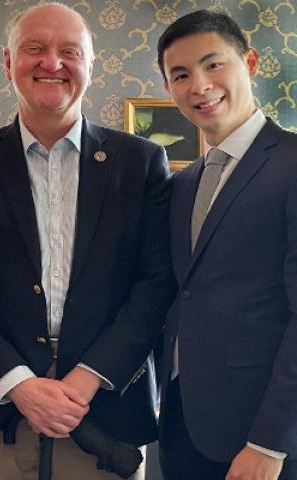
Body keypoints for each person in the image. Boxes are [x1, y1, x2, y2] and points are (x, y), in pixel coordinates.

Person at [0, 3, 174, 480]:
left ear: (91, 65)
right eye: (34, 49)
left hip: (106, 418)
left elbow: (155, 285)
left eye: (69, 51)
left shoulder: (141, 162)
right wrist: (20, 384)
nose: (52, 63)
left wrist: (85, 381)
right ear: (7, 62)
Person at [157, 9, 297, 480]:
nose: (199, 85)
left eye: (213, 65)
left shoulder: (293, 164)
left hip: (265, 438)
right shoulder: (183, 183)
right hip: (183, 424)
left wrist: (270, 443)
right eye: (181, 74)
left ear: (250, 63)